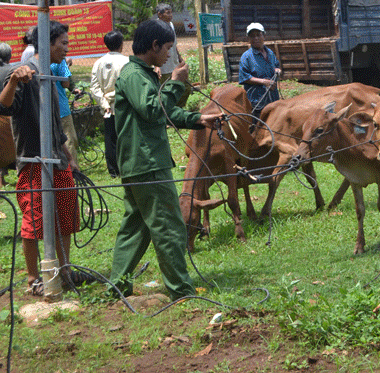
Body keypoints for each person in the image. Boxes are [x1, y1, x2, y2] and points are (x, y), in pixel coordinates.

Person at [107, 19, 218, 301]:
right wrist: (175, 84)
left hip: (140, 163)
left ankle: (116, 286)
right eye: (167, 48)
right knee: (169, 227)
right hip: (148, 163)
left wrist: (198, 119)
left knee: (136, 228)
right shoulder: (134, 75)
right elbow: (153, 109)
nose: (169, 54)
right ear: (154, 46)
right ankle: (181, 291)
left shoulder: (144, 74)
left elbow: (165, 112)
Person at [0, 20, 78, 297]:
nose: (66, 50)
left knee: (66, 213)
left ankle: (65, 270)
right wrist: (13, 80)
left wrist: (66, 151)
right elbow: (4, 105)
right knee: (35, 221)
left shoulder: (50, 73)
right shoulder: (24, 73)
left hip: (57, 156)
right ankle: (35, 278)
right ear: (47, 44)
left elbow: (54, 122)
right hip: (33, 161)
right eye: (63, 44)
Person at [89, 30, 129, 178]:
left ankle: (113, 170)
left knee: (110, 137)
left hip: (107, 107)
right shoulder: (126, 62)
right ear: (121, 44)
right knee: (124, 136)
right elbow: (126, 85)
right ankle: (125, 167)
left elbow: (94, 87)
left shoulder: (98, 63)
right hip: (122, 105)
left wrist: (104, 102)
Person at [238, 22, 281, 113]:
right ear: (249, 39)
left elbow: (276, 65)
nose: (256, 38)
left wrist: (277, 70)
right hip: (257, 100)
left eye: (258, 35)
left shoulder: (270, 52)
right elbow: (244, 77)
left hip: (273, 97)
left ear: (264, 36)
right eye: (252, 36)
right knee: (258, 125)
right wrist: (264, 82)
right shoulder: (246, 56)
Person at [50, 56, 79, 172]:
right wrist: (66, 66)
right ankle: (73, 172)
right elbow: (66, 83)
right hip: (61, 108)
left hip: (43, 109)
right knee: (69, 140)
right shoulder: (59, 59)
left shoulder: (30, 57)